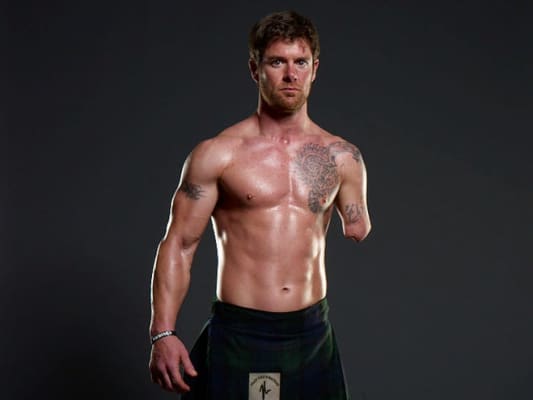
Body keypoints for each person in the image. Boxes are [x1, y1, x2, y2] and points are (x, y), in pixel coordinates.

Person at [149, 10, 371, 399]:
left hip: (311, 331)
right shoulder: (218, 154)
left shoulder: (342, 157)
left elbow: (359, 226)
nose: (291, 75)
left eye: (301, 62)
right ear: (255, 69)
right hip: (240, 329)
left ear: (315, 69)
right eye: (277, 62)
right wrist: (162, 332)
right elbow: (179, 244)